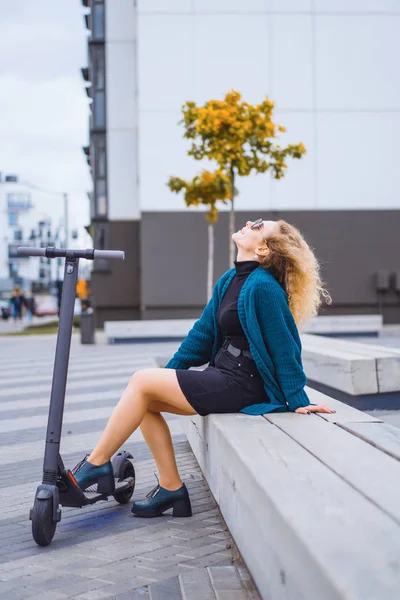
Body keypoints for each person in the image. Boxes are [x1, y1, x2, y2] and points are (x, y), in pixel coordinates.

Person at [73, 218, 335, 518]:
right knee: (144, 399)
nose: (250, 222)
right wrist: (166, 376)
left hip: (243, 385)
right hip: (223, 376)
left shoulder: (264, 288)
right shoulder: (229, 281)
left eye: (259, 225)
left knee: (141, 383)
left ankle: (96, 465)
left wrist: (298, 399)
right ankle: (171, 488)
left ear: (263, 249)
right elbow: (202, 336)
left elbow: (285, 346)